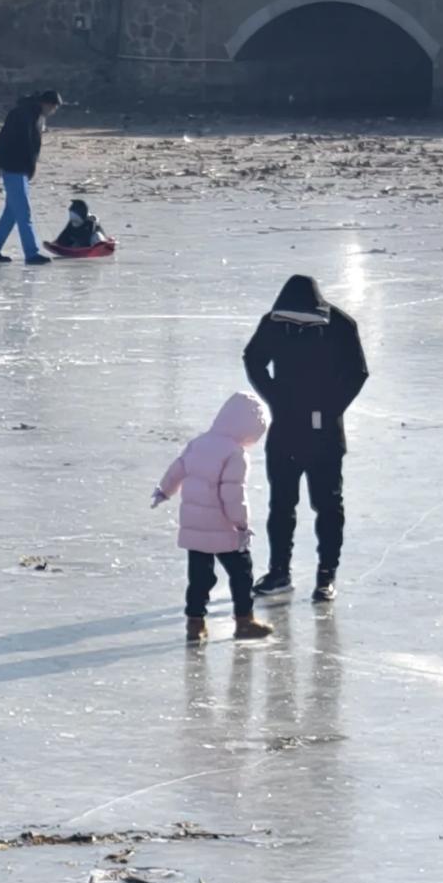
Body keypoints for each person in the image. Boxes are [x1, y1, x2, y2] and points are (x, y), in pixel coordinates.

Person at [242, 272, 368, 604]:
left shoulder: (340, 325)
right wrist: (274, 397)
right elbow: (253, 359)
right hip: (285, 429)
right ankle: (279, 572)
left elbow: (357, 372)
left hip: (325, 435)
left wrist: (330, 408)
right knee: (281, 504)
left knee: (327, 504)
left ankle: (327, 575)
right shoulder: (274, 323)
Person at [152, 389, 272, 643]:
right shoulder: (235, 454)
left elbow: (177, 469)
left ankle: (195, 623)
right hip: (223, 529)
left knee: (199, 577)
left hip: (194, 527)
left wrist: (164, 491)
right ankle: (244, 621)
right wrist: (241, 525)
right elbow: (233, 495)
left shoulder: (199, 443)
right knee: (242, 574)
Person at [0, 90, 62, 267]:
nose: (54, 111)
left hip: (21, 170)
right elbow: (3, 139)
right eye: (53, 107)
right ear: (46, 103)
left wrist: (30, 169)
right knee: (24, 212)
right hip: (13, 168)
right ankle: (31, 253)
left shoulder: (36, 116)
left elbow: (31, 147)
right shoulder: (22, 115)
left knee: (11, 214)